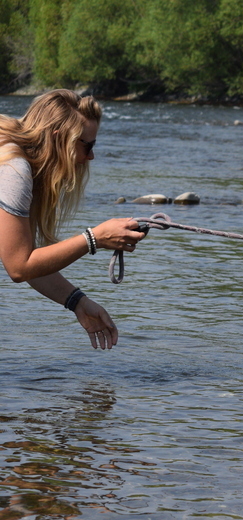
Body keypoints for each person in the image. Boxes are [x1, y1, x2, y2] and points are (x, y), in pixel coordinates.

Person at [0, 89, 146, 350]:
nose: (91, 156)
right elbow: (19, 267)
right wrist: (94, 239)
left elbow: (27, 260)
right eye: (87, 145)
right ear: (60, 139)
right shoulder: (14, 168)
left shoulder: (19, 161)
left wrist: (77, 301)